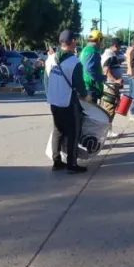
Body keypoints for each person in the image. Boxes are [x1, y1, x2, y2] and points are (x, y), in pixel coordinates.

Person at [47, 30, 88, 174]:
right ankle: (72, 164)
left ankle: (56, 161)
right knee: (73, 133)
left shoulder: (51, 59)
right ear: (73, 42)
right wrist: (85, 95)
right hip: (68, 102)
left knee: (57, 130)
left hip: (54, 100)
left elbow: (47, 79)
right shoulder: (74, 62)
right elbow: (79, 85)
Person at [79, 30, 104, 103]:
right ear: (99, 40)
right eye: (101, 40)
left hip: (84, 85)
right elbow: (89, 69)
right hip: (91, 87)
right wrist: (100, 77)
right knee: (91, 109)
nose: (102, 43)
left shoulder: (85, 49)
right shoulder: (93, 51)